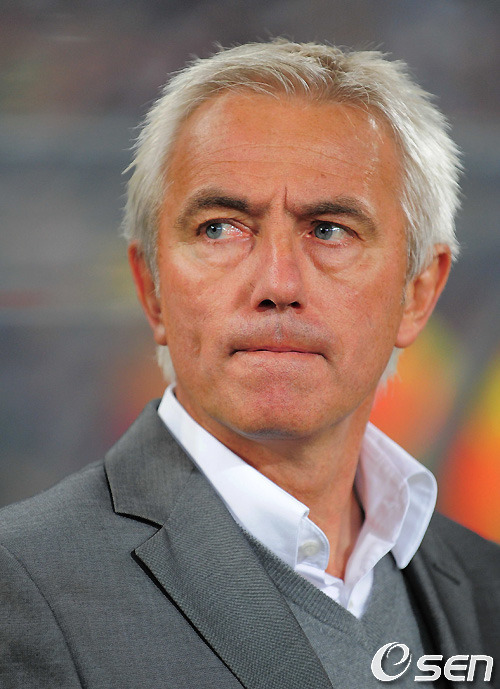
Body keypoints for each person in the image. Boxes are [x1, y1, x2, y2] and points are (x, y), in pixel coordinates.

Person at [1, 40, 499, 688]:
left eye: (329, 229)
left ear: (418, 292)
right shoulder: (22, 585)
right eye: (220, 227)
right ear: (151, 288)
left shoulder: (484, 587)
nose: (277, 283)